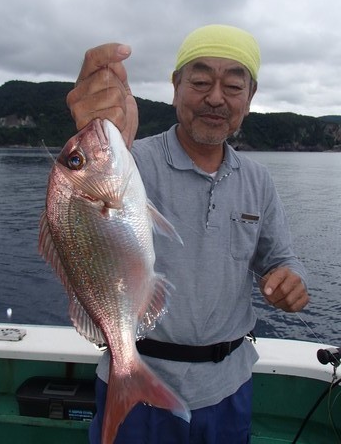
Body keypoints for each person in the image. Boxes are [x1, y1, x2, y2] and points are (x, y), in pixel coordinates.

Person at [66, 25, 310, 444]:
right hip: (137, 381)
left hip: (227, 390)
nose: (215, 97)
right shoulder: (130, 161)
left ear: (249, 99)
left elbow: (279, 259)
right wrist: (96, 133)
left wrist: (289, 280)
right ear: (175, 87)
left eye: (234, 85)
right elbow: (76, 210)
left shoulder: (258, 180)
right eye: (199, 81)